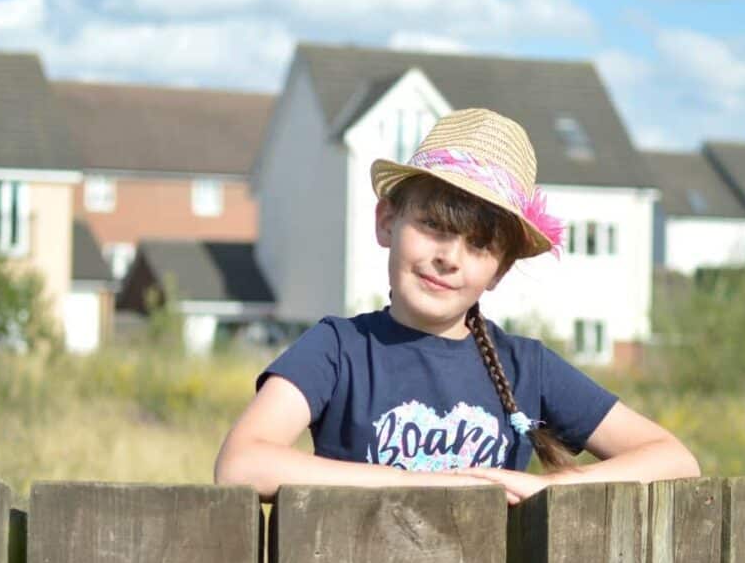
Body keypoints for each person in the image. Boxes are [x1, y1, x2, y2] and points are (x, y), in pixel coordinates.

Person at [215, 108, 699, 504]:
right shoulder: (337, 349)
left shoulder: (527, 368)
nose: (448, 258)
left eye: (479, 246)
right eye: (433, 227)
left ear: (500, 270)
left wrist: (547, 487)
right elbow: (242, 465)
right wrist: (431, 486)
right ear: (387, 222)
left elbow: (674, 460)